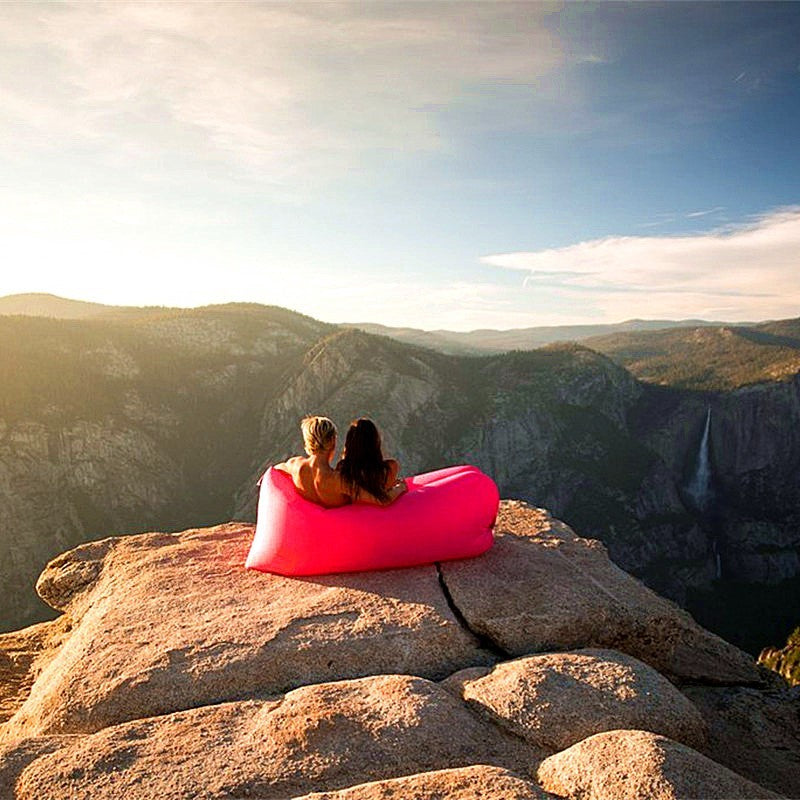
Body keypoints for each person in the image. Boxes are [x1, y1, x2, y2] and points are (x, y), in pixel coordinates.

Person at [273, 415, 351, 508]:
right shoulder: (339, 481)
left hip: (303, 522)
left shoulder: (295, 466)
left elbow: (275, 469)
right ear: (332, 441)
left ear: (307, 443)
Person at [336, 417, 408, 505]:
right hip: (382, 516)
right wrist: (400, 487)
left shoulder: (343, 468)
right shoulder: (389, 468)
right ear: (375, 441)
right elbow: (384, 499)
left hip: (355, 516)